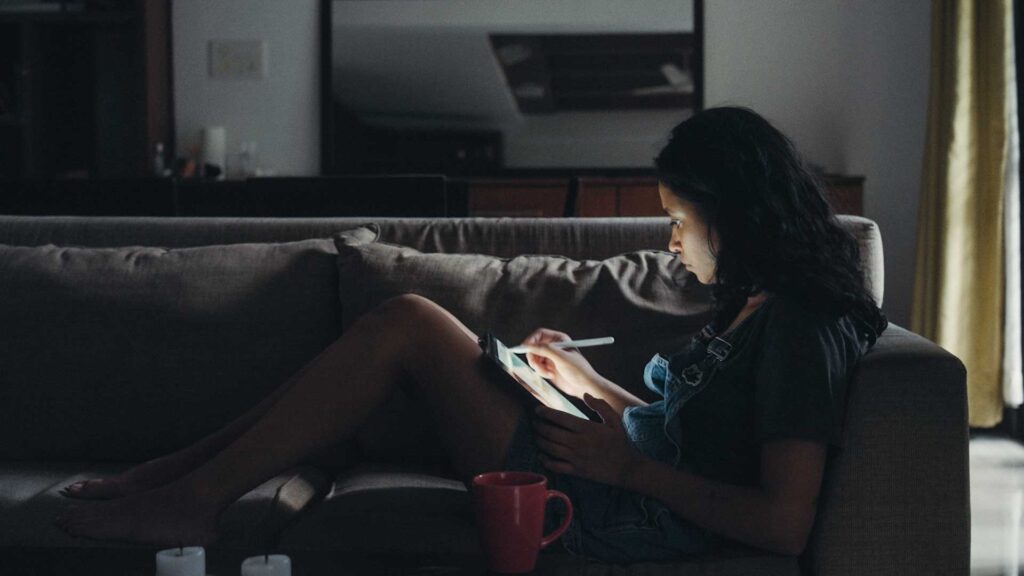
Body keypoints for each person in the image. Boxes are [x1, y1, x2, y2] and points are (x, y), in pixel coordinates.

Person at [55, 106, 887, 563]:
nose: (672, 241)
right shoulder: (758, 305)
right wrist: (585, 384)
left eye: (679, 219)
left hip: (614, 515)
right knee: (406, 326)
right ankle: (177, 479)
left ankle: (190, 497)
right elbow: (689, 433)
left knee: (409, 325)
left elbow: (783, 522)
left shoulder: (800, 328)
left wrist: (623, 464)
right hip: (618, 475)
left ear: (734, 214)